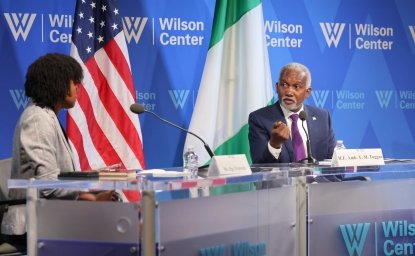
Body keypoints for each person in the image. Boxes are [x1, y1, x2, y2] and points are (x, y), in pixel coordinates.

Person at [0, 53, 119, 252]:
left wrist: (95, 177)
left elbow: (56, 178)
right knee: (121, 233)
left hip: (52, 217)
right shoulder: (38, 120)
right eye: (75, 83)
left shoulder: (47, 116)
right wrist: (91, 191)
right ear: (59, 84)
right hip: (34, 224)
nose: (77, 89)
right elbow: (49, 186)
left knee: (122, 226)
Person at [248, 62, 336, 164]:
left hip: (318, 180)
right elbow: (260, 167)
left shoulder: (322, 117)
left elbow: (334, 161)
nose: (289, 92)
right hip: (281, 180)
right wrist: (274, 144)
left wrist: (329, 180)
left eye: (296, 86)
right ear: (277, 87)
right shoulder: (260, 119)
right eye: (284, 85)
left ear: (307, 92)